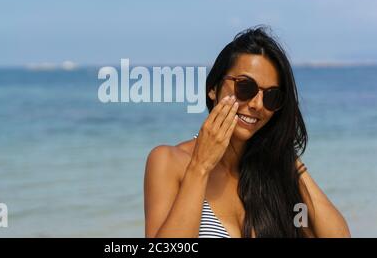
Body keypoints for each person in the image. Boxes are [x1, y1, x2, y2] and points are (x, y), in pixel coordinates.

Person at [143, 26, 351, 238]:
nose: (257, 104)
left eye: (272, 96)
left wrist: (286, 155)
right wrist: (200, 167)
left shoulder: (274, 176)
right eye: (245, 87)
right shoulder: (169, 161)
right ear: (213, 87)